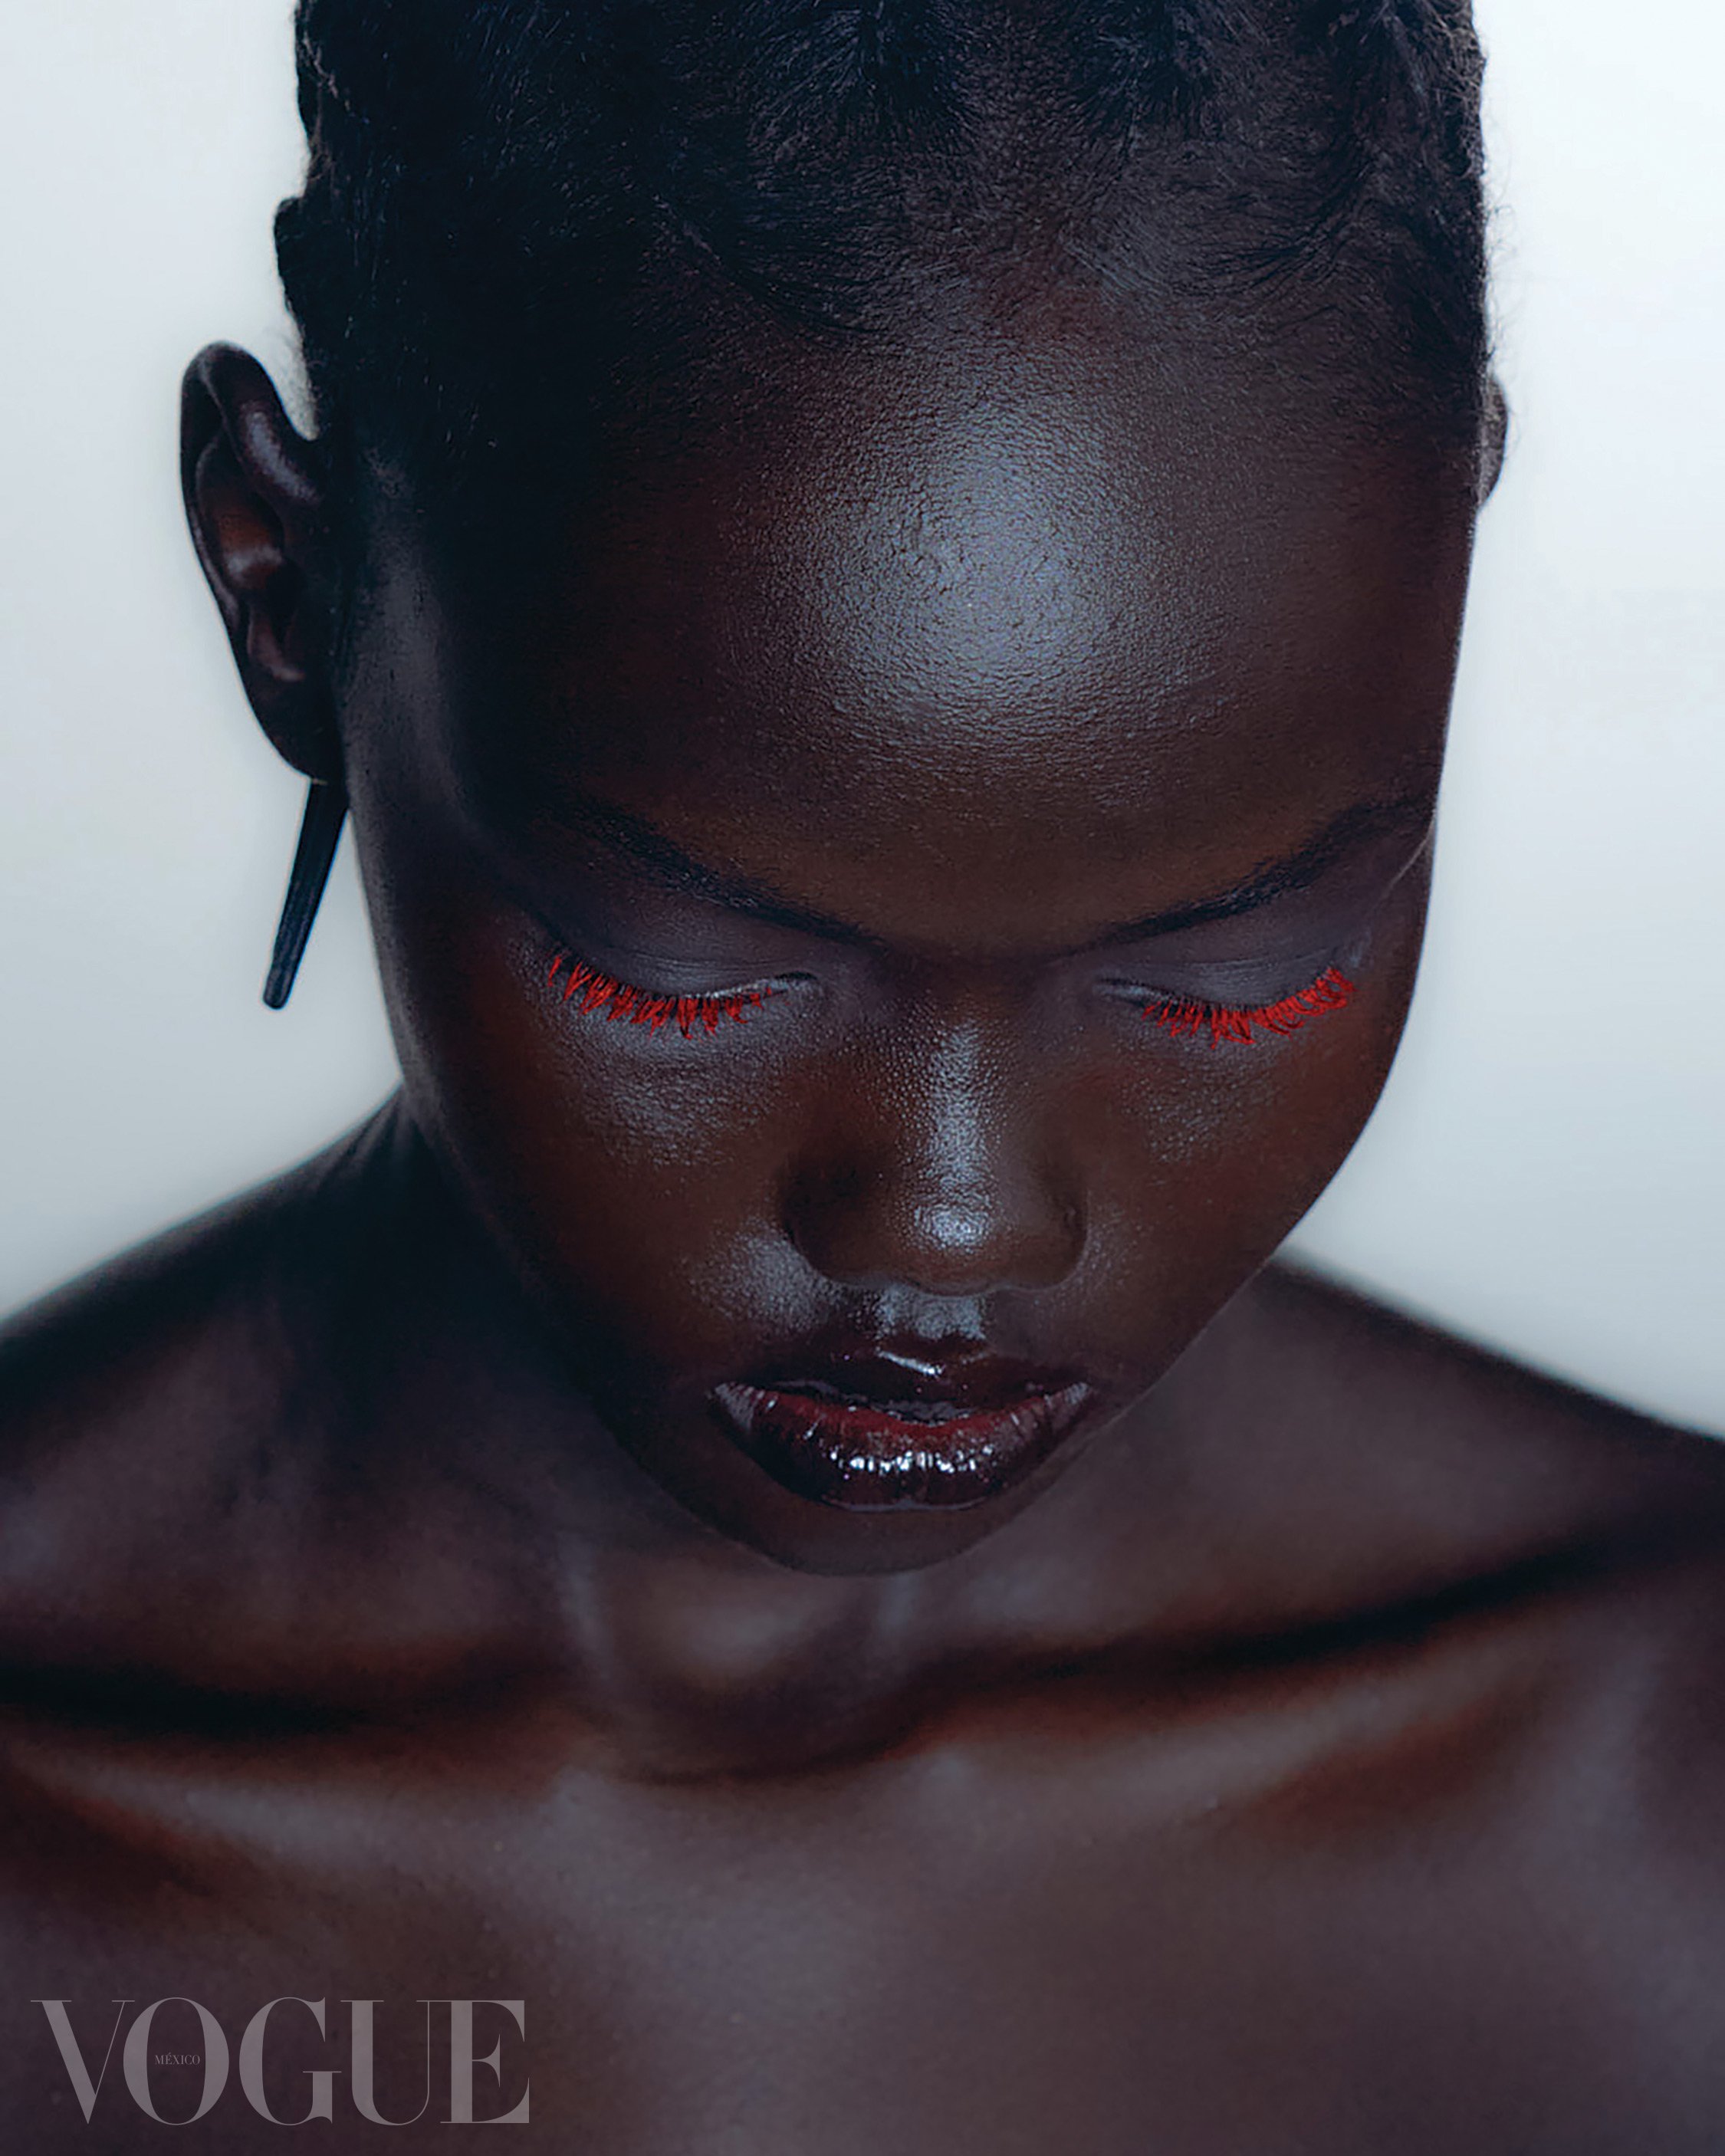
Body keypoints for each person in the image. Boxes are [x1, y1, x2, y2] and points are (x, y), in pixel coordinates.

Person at [2, 2, 1722, 2146]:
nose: (952, 1218)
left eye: (1230, 990)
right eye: (681, 985)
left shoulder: (1673, 1770)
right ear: (290, 591)